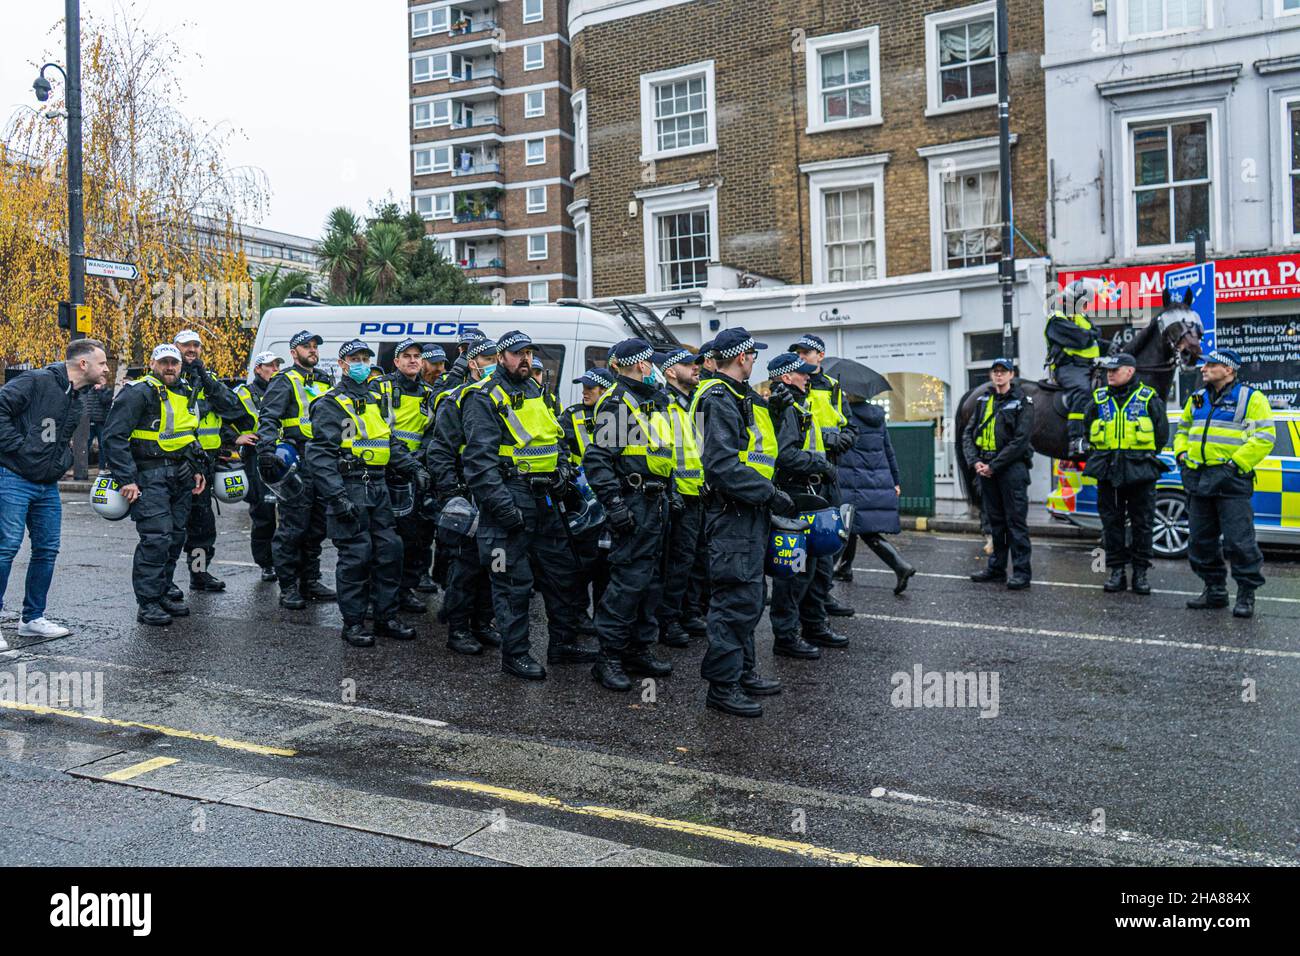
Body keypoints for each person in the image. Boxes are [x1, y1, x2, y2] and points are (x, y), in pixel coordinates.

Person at [459, 330, 592, 679]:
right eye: (518, 354)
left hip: (546, 498)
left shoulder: (535, 390)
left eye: (529, 353)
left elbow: (556, 439)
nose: (526, 359)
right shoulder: (483, 396)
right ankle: (515, 655)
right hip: (510, 498)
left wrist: (563, 469)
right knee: (513, 585)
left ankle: (562, 644)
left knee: (562, 575)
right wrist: (504, 509)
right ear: (501, 357)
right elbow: (479, 463)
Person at [694, 327, 798, 717]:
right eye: (753, 355)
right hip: (733, 511)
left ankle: (742, 673)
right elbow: (721, 465)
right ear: (741, 358)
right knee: (734, 599)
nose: (755, 361)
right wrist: (770, 494)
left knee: (749, 597)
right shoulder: (715, 398)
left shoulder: (737, 395)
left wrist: (779, 408)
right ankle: (722, 687)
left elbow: (754, 441)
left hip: (747, 510)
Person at [306, 339, 420, 646]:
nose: (361, 363)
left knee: (389, 552)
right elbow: (320, 456)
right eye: (354, 359)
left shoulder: (373, 399)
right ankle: (353, 624)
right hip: (351, 487)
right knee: (356, 557)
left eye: (365, 358)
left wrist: (413, 468)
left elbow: (388, 441)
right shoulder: (331, 403)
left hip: (379, 487)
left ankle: (385, 618)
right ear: (342, 364)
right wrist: (337, 497)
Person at [0, 338, 109, 644]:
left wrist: (60, 461)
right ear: (83, 364)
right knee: (6, 548)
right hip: (13, 478)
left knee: (46, 550)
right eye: (102, 363)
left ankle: (32, 618)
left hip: (47, 484)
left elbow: (59, 438)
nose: (106, 369)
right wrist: (19, 449)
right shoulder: (37, 380)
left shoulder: (77, 396)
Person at [583, 339, 676, 691]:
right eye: (649, 363)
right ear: (640, 365)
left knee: (650, 582)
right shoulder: (619, 403)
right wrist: (615, 505)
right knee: (626, 583)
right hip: (633, 503)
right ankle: (607, 657)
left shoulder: (648, 402)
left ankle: (638, 649)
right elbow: (598, 461)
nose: (652, 368)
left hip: (656, 502)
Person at [101, 344, 207, 626]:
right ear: (152, 364)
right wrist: (126, 479)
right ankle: (147, 603)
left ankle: (161, 594)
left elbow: (187, 435)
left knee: (174, 538)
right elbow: (113, 437)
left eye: (174, 362)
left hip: (181, 476)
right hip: (149, 477)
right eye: (164, 362)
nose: (170, 367)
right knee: (156, 539)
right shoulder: (138, 392)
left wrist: (197, 469)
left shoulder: (184, 392)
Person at [1172, 348, 1275, 618]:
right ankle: (1215, 591)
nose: (1204, 369)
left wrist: (1233, 465)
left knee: (1239, 542)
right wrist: (1181, 455)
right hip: (1199, 479)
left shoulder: (1251, 399)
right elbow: (1182, 431)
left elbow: (1264, 438)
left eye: (1211, 365)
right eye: (1204, 365)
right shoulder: (1196, 398)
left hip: (1231, 481)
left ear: (1229, 370)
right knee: (1200, 541)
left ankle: (1245, 594)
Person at [424, 336, 502, 655]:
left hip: (495, 491)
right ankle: (458, 629)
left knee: (491, 565)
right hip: (466, 493)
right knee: (464, 565)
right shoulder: (454, 398)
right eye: (488, 359)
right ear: (473, 363)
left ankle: (483, 623)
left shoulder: (502, 397)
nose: (494, 364)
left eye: (498, 357)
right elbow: (440, 450)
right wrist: (451, 493)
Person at [765, 351, 841, 659]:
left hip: (809, 492)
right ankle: (786, 635)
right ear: (786, 376)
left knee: (817, 565)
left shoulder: (799, 404)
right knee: (794, 570)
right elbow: (785, 455)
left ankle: (812, 625)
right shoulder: (787, 409)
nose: (809, 376)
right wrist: (820, 463)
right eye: (803, 372)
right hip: (794, 495)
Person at [255, 330, 336, 610]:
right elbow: (268, 418)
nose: (312, 350)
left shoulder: (326, 380)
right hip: (298, 461)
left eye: (315, 346)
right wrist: (266, 451)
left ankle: (310, 580)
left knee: (317, 527)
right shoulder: (284, 380)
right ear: (293, 353)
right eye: (306, 347)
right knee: (293, 527)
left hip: (324, 461)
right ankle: (288, 586)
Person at [1082, 353, 1169, 596]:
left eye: (1115, 370)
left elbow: (1161, 435)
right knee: (1112, 524)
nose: (1109, 373)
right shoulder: (1098, 399)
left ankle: (1140, 573)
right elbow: (1087, 430)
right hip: (1109, 471)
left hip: (1140, 471)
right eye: (1108, 370)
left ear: (1129, 371)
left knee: (1143, 524)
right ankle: (1116, 571)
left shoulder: (1149, 398)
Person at [789, 334, 857, 619]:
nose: (802, 357)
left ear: (821, 355)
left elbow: (851, 429)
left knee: (830, 538)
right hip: (801, 476)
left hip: (828, 473)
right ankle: (802, 610)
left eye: (807, 352)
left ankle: (821, 597)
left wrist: (840, 440)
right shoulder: (793, 386)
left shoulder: (832, 388)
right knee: (803, 545)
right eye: (799, 353)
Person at [173, 330, 245, 597]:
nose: (191, 349)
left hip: (205, 463)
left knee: (202, 528)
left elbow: (232, 409)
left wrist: (204, 378)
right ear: (174, 348)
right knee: (171, 528)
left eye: (196, 345)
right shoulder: (167, 378)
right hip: (176, 463)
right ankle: (164, 582)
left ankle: (199, 574)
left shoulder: (207, 379)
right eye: (186, 345)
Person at [373, 338, 436, 613]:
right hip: (385, 472)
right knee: (386, 541)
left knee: (416, 538)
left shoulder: (428, 392)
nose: (413, 360)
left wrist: (420, 460)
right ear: (396, 361)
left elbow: (433, 433)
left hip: (416, 474)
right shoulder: (379, 388)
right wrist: (409, 463)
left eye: (417, 356)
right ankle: (379, 595)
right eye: (406, 356)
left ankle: (406, 589)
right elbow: (378, 430)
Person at [962, 357, 1034, 590]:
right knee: (996, 523)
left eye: (1004, 372)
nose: (999, 375)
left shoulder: (1023, 401)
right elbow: (968, 434)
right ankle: (997, 568)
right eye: (995, 372)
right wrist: (976, 463)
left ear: (1012, 375)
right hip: (986, 469)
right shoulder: (984, 400)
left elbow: (1020, 441)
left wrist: (993, 465)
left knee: (1016, 523)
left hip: (1011, 470)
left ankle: (1022, 572)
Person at [653, 349, 709, 647]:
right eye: (688, 365)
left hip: (697, 492)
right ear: (671, 371)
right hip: (674, 496)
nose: (695, 368)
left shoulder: (695, 401)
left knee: (693, 559)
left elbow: (697, 449)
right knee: (673, 562)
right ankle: (668, 620)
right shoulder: (662, 402)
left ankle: (689, 612)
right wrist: (669, 490)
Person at [834, 396, 916, 594]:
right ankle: (845, 567)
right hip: (876, 480)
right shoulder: (877, 416)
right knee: (852, 526)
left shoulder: (844, 416)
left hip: (852, 481)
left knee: (856, 528)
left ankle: (901, 566)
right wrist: (895, 480)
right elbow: (889, 450)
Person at [559, 366, 615, 637]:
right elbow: (560, 445)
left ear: (605, 389)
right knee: (582, 562)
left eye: (590, 387)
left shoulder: (617, 414)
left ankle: (603, 614)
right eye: (583, 386)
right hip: (582, 500)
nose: (584, 391)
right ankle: (579, 614)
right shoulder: (571, 414)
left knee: (607, 562)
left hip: (611, 496)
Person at [232, 351, 283, 582]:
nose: (274, 369)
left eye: (276, 365)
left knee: (292, 513)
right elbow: (225, 418)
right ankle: (266, 563)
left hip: (283, 455)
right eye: (269, 366)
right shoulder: (244, 393)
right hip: (256, 456)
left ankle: (287, 561)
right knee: (263, 514)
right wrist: (236, 437)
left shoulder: (284, 387)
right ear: (258, 370)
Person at [1045, 300, 1101, 458]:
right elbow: (1081, 338)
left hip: (1087, 366)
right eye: (1082, 303)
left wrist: (1109, 347)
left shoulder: (1080, 318)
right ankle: (1076, 440)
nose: (1085, 307)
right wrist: (1093, 335)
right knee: (1083, 390)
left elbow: (1095, 336)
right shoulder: (1057, 319)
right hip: (1068, 366)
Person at [85, 380, 114, 472]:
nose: (96, 385)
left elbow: (104, 400)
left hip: (101, 422)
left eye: (99, 383)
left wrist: (99, 391)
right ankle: (82, 467)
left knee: (102, 445)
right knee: (86, 444)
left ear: (104, 382)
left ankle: (101, 468)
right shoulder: (89, 391)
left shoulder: (108, 391)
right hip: (90, 422)